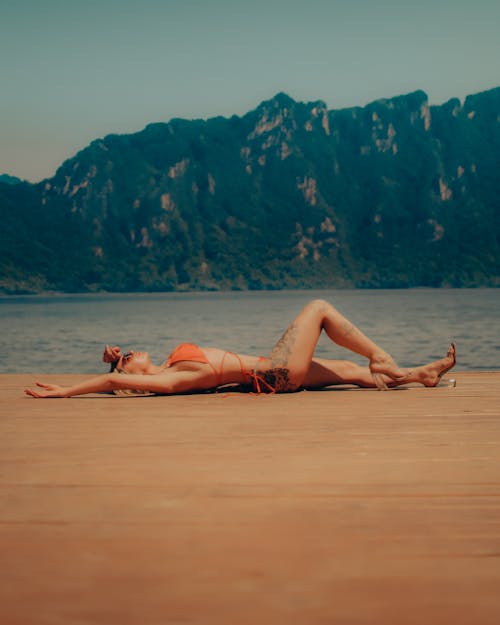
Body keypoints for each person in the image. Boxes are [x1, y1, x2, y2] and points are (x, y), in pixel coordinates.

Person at [24, 299, 456, 399]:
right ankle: (382, 356)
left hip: (275, 373)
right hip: (277, 374)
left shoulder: (165, 370)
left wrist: (111, 358)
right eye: (125, 360)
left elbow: (113, 374)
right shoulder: (170, 380)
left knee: (352, 371)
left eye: (125, 354)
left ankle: (418, 374)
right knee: (320, 309)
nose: (127, 354)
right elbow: (110, 379)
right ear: (131, 381)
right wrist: (64, 391)